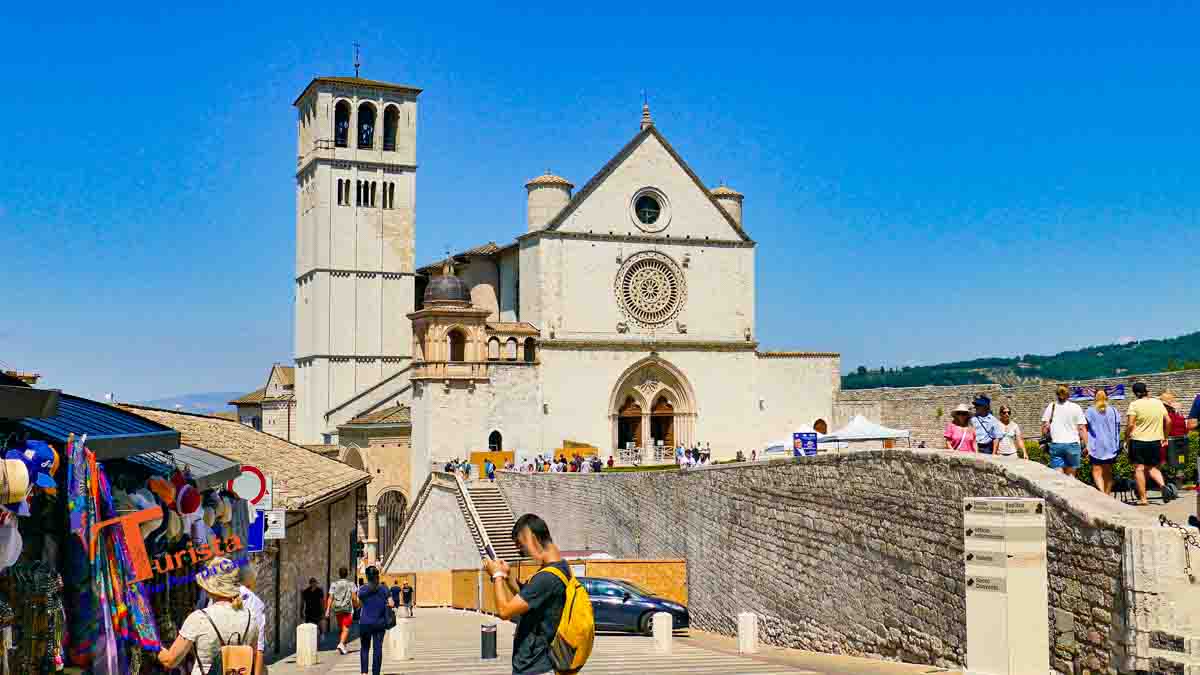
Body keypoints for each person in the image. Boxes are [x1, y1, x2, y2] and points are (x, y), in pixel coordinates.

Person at [483, 514, 571, 675]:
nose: (520, 550)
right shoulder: (559, 568)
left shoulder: (546, 578)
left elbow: (504, 611)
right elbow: (528, 600)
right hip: (539, 665)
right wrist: (508, 576)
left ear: (532, 538)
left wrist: (497, 576)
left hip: (535, 667)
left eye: (520, 544)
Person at [156, 557, 260, 675]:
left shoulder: (199, 619)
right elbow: (256, 659)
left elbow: (170, 660)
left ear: (210, 588)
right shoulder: (251, 617)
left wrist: (151, 642)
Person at [1126, 382, 1175, 505]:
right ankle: (1163, 486)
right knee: (1152, 467)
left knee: (1139, 468)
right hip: (1155, 441)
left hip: (1138, 441)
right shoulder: (1158, 403)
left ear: (1135, 393)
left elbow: (1131, 425)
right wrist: (1165, 436)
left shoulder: (1134, 404)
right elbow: (1168, 421)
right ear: (1146, 390)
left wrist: (1126, 438)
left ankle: (1143, 499)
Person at [1041, 385, 1088, 475]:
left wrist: (1044, 442)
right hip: (1073, 445)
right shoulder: (1076, 407)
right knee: (1071, 476)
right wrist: (1087, 445)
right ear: (1068, 395)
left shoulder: (1051, 406)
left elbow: (1045, 426)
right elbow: (1081, 428)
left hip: (1056, 444)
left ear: (1056, 394)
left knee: (1058, 475)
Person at [357, 566, 395, 675]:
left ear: (367, 577)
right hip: (379, 623)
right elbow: (391, 603)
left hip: (364, 623)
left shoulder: (363, 589)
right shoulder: (384, 589)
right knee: (377, 649)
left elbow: (359, 604)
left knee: (364, 648)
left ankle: (364, 673)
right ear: (377, 576)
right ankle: (375, 673)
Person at [1085, 390, 1122, 496]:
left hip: (1096, 445)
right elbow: (1118, 427)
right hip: (1111, 446)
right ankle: (1107, 494)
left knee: (1097, 470)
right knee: (1108, 472)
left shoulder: (1090, 411)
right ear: (1107, 397)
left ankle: (1101, 494)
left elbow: (1085, 428)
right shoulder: (1114, 411)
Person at [235, 562, 268, 675]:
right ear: (251, 581)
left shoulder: (218, 596)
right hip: (245, 662)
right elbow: (259, 647)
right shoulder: (255, 602)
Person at [325, 566, 360, 655]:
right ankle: (341, 644)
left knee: (342, 627)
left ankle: (343, 645)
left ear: (339, 574)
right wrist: (357, 605)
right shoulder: (351, 584)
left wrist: (328, 610)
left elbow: (330, 597)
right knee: (346, 628)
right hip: (347, 609)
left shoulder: (334, 584)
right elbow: (354, 597)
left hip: (337, 609)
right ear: (347, 574)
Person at [1160, 392, 1189, 492]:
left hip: (1167, 444)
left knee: (1160, 459)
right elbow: (1186, 431)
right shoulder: (1180, 417)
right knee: (1179, 459)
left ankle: (1164, 482)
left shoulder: (1164, 418)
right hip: (1181, 445)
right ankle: (1178, 475)